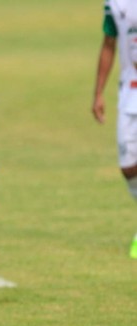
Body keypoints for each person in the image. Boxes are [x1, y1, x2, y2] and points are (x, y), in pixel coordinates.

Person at [92, 0, 137, 258]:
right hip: (130, 95)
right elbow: (109, 43)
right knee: (129, 167)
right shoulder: (115, 3)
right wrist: (98, 93)